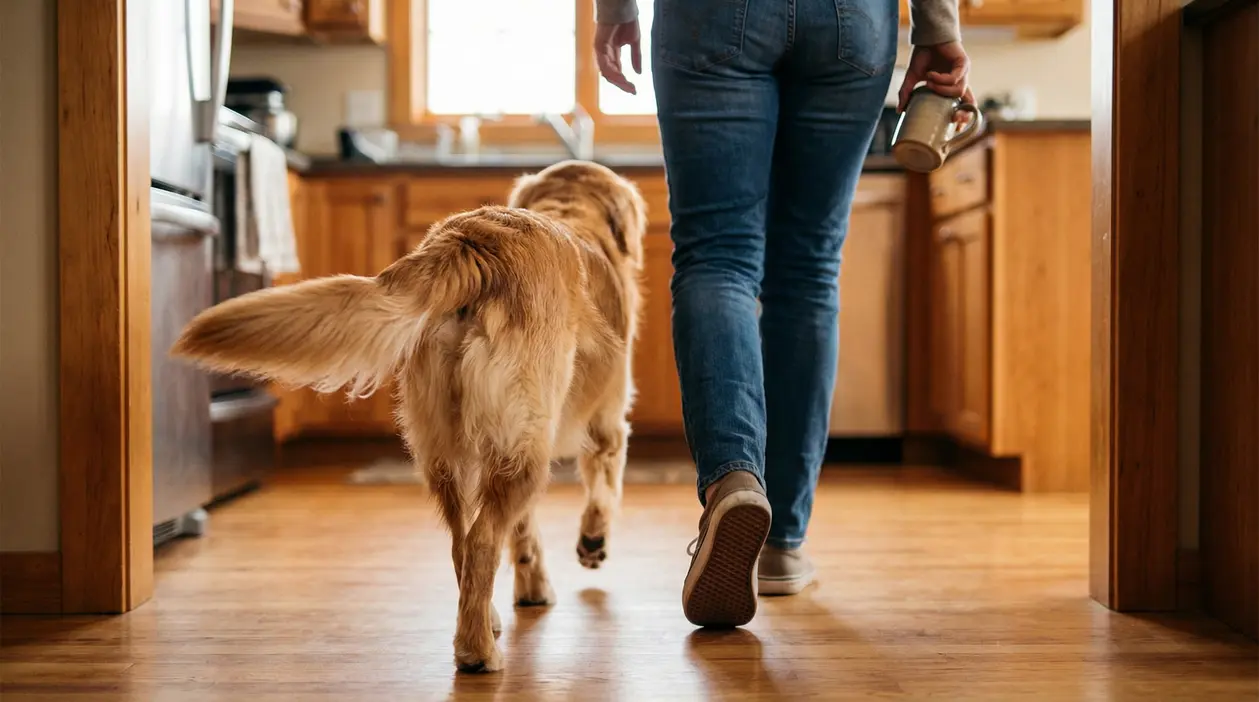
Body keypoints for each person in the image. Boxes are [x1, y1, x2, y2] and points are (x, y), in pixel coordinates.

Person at [593, 0, 973, 627]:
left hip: (710, 20)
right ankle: (782, 544)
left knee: (718, 257)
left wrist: (614, 10)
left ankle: (734, 481)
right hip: (852, 22)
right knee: (809, 270)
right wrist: (939, 28)